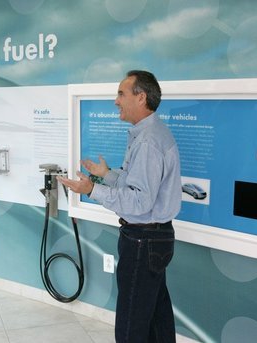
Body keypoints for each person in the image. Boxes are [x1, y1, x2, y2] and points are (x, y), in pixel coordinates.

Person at [58, 70, 181, 342]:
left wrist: (92, 189)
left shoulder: (148, 141)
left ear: (141, 97)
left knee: (131, 324)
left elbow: (139, 201)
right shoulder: (151, 134)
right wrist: (107, 175)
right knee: (157, 316)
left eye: (121, 94)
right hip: (154, 238)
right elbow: (139, 185)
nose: (116, 101)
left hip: (143, 240)